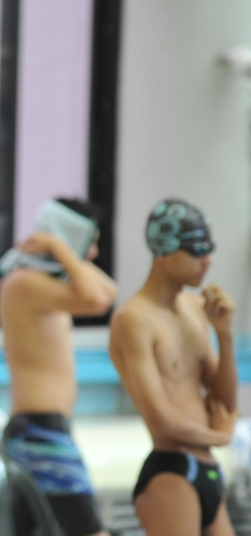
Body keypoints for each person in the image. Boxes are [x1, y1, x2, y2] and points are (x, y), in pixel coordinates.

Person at [110, 198, 238, 536]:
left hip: (208, 467)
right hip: (171, 474)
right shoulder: (133, 319)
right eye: (197, 250)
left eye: (210, 249)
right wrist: (219, 436)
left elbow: (225, 402)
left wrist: (224, 335)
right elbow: (160, 418)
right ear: (163, 251)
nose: (208, 260)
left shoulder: (196, 309)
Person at [0, 198, 118, 536]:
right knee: (91, 531)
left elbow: (109, 292)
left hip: (43, 427)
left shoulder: (45, 285)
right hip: (40, 430)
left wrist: (64, 250)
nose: (93, 252)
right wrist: (60, 247)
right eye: (89, 242)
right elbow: (97, 300)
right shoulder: (23, 282)